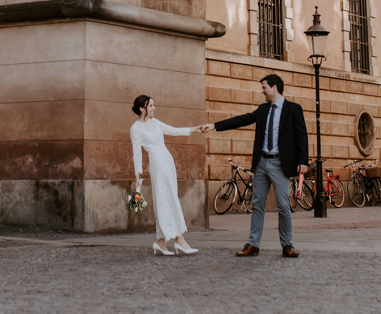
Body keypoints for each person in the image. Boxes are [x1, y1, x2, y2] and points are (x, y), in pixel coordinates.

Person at [204, 74, 309, 258]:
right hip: (262, 163)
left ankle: (287, 244)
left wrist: (303, 161)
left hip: (280, 164)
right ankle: (253, 244)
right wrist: (214, 125)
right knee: (257, 204)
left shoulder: (293, 109)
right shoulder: (263, 110)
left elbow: (302, 136)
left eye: (264, 87)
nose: (262, 91)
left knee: (284, 206)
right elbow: (242, 119)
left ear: (274, 88)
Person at [130, 95, 208, 256]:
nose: (154, 108)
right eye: (150, 106)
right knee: (165, 199)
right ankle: (179, 239)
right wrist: (137, 175)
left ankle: (160, 242)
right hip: (157, 165)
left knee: (169, 197)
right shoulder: (135, 129)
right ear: (141, 109)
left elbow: (173, 130)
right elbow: (137, 153)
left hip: (168, 162)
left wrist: (194, 129)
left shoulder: (155, 122)